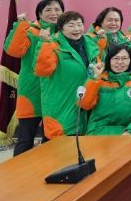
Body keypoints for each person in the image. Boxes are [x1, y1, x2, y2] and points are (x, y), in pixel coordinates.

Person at [4, 0, 64, 155]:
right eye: (48, 10)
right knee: (25, 140)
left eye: (57, 9)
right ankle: (20, 170)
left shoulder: (65, 34)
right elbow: (13, 51)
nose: (53, 13)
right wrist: (20, 26)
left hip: (55, 94)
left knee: (50, 139)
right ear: (39, 14)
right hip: (32, 93)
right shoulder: (30, 31)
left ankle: (46, 168)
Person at [34, 11, 101, 139]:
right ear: (61, 28)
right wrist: (45, 44)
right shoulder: (52, 45)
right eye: (71, 25)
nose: (76, 29)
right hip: (61, 110)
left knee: (81, 147)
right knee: (59, 149)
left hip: (86, 108)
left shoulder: (90, 45)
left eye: (79, 24)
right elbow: (42, 70)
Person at [81, 44, 131, 135]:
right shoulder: (98, 79)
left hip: (127, 134)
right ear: (109, 60)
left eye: (124, 58)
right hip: (97, 133)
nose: (120, 62)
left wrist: (130, 131)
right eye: (115, 58)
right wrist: (95, 78)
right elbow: (85, 104)